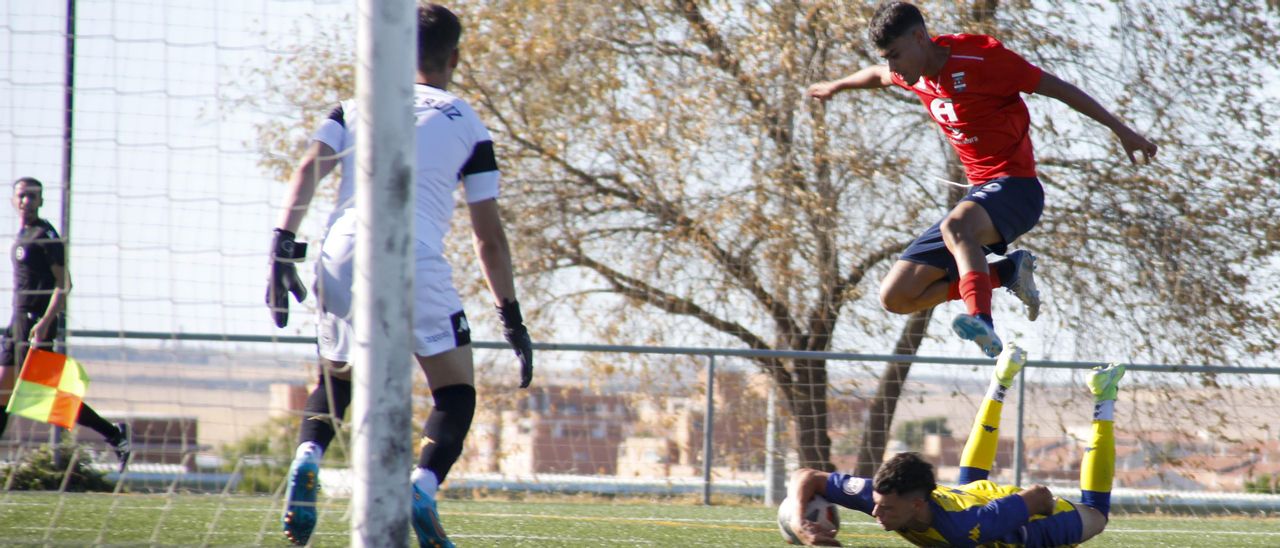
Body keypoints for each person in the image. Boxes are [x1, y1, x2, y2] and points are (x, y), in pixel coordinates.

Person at [265, 4, 533, 546]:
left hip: (340, 251)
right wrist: (511, 317)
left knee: (335, 378)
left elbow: (305, 171)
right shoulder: (468, 121)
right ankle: (423, 486)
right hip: (413, 254)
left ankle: (307, 456)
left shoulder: (351, 107)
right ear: (454, 57)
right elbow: (488, 237)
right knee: (455, 389)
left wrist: (280, 249)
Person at [807, 2, 1158, 357]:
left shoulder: (982, 59)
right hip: (983, 196)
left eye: (895, 55)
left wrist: (1121, 130)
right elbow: (876, 76)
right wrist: (837, 86)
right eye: (887, 57)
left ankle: (982, 321)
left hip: (1017, 189)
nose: (892, 66)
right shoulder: (909, 71)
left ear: (919, 37)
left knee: (956, 226)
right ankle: (1006, 272)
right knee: (896, 296)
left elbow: (1059, 88)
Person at [786, 343, 1126, 546]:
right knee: (967, 487)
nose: (875, 512)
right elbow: (807, 476)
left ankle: (1104, 395)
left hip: (1027, 529)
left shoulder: (963, 530)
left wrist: (1050, 513)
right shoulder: (883, 497)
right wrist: (802, 524)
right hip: (973, 501)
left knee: (1096, 515)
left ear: (917, 506)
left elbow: (1037, 495)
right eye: (876, 504)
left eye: (885, 508)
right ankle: (1001, 378)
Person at [0, 177, 131, 472]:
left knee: (49, 397)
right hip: (17, 321)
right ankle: (114, 434)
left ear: (41, 201)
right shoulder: (21, 235)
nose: (27, 201)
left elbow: (64, 284)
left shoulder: (46, 235)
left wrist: (45, 322)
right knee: (4, 390)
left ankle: (113, 434)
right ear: (13, 200)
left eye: (33, 197)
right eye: (22, 196)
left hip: (36, 323)